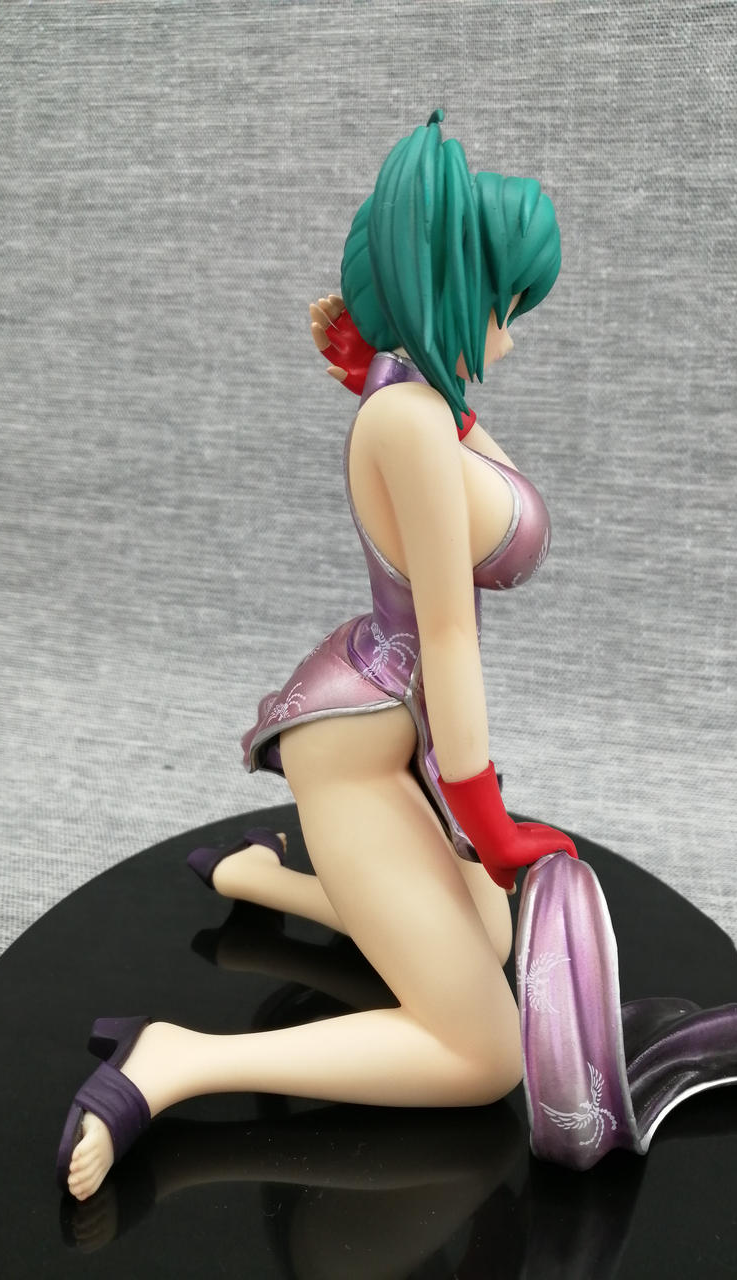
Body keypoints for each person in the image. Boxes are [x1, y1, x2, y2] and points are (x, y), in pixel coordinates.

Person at [58, 109, 576, 1202]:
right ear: (452, 289)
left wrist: (374, 364)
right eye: (505, 306)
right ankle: (180, 1058)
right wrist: (487, 819)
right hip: (359, 754)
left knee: (492, 931)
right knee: (485, 1054)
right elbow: (449, 637)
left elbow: (485, 530)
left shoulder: (427, 405)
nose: (512, 336)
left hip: (398, 738)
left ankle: (270, 879)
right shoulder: (409, 425)